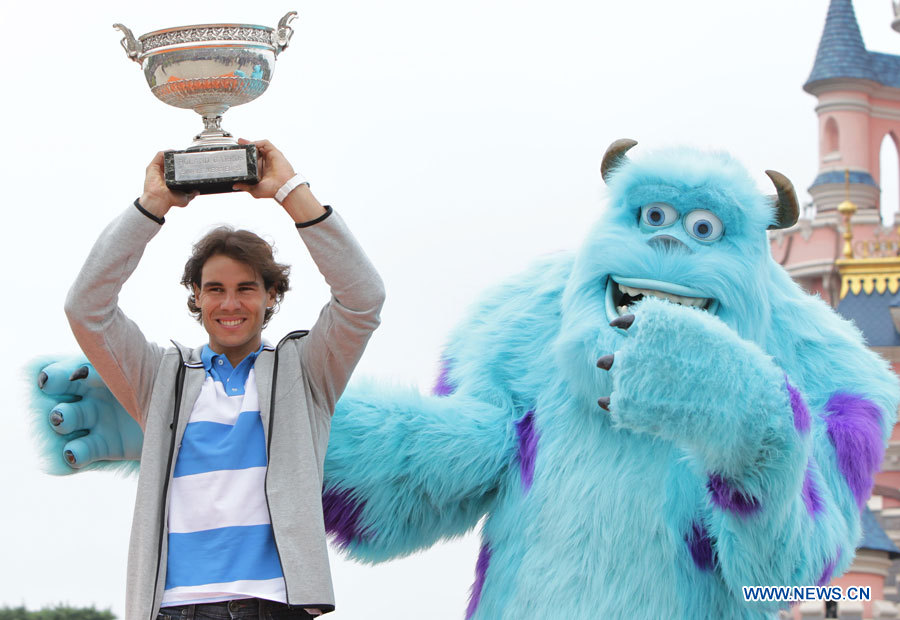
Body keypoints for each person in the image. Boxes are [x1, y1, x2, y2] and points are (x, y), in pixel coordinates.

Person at [64, 139, 386, 620]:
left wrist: (290, 191)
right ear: (195, 295)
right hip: (173, 607)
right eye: (214, 289)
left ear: (271, 295)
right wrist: (152, 206)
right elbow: (86, 309)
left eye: (246, 289)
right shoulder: (160, 379)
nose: (229, 304)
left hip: (273, 604)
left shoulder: (308, 372)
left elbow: (363, 298)